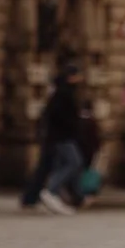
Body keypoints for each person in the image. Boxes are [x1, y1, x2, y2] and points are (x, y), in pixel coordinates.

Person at [20, 70, 87, 214]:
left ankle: (72, 196)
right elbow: (61, 118)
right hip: (62, 138)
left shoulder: (60, 95)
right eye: (75, 76)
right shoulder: (63, 96)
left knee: (54, 166)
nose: (79, 80)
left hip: (58, 138)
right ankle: (51, 191)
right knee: (73, 163)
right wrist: (74, 125)